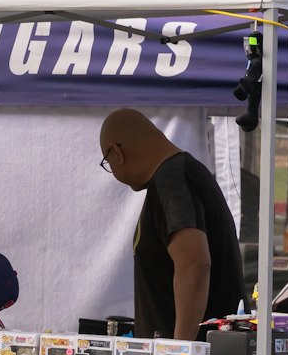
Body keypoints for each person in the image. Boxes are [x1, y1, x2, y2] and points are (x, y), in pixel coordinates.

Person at [99, 109, 242, 339]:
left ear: (117, 153)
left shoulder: (172, 180)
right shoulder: (181, 174)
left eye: (107, 162)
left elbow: (194, 264)